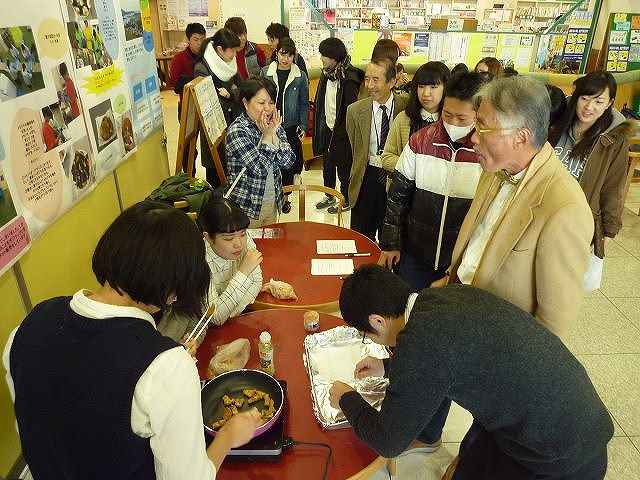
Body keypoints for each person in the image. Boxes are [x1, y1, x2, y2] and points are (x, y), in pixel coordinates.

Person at [3, 201, 262, 480]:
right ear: (173, 290)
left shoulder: (25, 329)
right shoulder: (167, 365)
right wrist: (227, 436)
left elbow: (37, 426)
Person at [328, 265, 613, 480]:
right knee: (469, 460)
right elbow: (447, 360)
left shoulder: (422, 344)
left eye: (369, 335)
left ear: (377, 320)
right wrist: (387, 366)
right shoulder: (446, 296)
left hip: (556, 458)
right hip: (579, 418)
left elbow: (387, 441)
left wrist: (347, 398)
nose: (374, 341)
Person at [445, 76, 593, 337]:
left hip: (501, 344)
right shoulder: (495, 168)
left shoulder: (565, 208)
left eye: (482, 128)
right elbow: (476, 243)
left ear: (521, 137)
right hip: (461, 314)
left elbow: (554, 326)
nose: (473, 139)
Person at [379, 72, 485, 291]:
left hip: (458, 260)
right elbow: (397, 197)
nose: (453, 123)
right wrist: (391, 244)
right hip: (416, 253)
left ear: (479, 115)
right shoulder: (420, 141)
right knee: (409, 307)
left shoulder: (485, 151)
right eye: (447, 114)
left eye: (462, 118)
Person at [549, 71, 633, 270]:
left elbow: (613, 187)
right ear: (575, 95)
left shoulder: (613, 140)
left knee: (561, 278)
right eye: (584, 98)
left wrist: (608, 232)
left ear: (610, 102)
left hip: (576, 222)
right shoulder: (555, 123)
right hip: (542, 212)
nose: (588, 107)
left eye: (598, 101)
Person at [157, 195, 263, 341]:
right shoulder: (200, 260)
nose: (239, 243)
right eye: (228, 238)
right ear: (208, 237)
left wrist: (230, 310)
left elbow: (257, 282)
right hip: (202, 330)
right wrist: (243, 273)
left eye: (243, 234)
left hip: (233, 324)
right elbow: (216, 317)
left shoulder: (243, 238)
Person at [346, 56, 408, 241]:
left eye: (376, 80)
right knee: (360, 237)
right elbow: (354, 146)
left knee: (391, 238)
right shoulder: (354, 111)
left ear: (391, 81)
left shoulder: (406, 107)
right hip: (365, 178)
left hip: (395, 178)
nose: (370, 85)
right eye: (367, 79)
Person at [225, 77, 296, 227]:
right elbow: (259, 169)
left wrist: (274, 134)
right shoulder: (238, 131)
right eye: (261, 103)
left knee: (269, 248)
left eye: (271, 103)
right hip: (247, 208)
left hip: (273, 201)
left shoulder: (272, 125)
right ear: (245, 103)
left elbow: (288, 161)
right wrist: (268, 136)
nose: (268, 109)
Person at [313, 37, 364, 214]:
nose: (321, 58)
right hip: (327, 126)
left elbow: (351, 110)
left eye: (324, 55)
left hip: (342, 131)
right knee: (327, 163)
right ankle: (329, 195)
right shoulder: (326, 74)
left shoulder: (349, 77)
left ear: (334, 57)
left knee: (343, 166)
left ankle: (345, 199)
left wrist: (343, 132)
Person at [261, 37, 309, 213]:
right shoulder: (265, 72)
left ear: (294, 56)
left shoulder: (300, 76)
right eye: (282, 54)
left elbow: (304, 103)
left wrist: (303, 126)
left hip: (289, 125)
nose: (285, 58)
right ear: (276, 52)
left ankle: (286, 198)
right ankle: (271, 195)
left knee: (288, 163)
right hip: (268, 124)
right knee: (270, 161)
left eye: (289, 55)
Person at [380, 61, 450, 178]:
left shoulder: (451, 122)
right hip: (406, 191)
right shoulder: (403, 119)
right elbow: (387, 157)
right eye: (421, 86)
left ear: (445, 88)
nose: (426, 93)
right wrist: (416, 167)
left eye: (433, 87)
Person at [194, 28, 243, 185]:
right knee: (216, 170)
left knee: (233, 168)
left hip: (232, 122)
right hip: (214, 128)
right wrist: (232, 92)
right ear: (220, 49)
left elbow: (241, 89)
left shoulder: (229, 62)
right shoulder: (202, 67)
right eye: (232, 51)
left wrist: (230, 94)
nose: (234, 55)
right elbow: (208, 102)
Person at [170, 22, 206, 118]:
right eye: (196, 39)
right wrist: (197, 80)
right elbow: (175, 86)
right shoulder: (179, 58)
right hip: (188, 106)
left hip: (206, 105)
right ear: (188, 40)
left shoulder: (208, 57)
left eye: (202, 39)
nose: (199, 43)